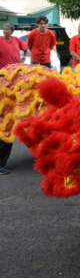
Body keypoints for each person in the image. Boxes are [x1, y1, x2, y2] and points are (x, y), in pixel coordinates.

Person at [0, 22, 28, 175]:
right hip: (3, 78)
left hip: (15, 79)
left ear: (12, 31)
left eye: (7, 29)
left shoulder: (17, 41)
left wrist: (22, 63)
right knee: (6, 126)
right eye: (3, 29)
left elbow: (25, 49)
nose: (5, 31)